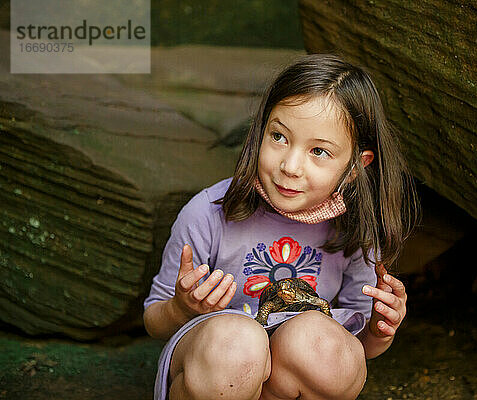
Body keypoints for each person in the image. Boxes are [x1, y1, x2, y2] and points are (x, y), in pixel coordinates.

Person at [143, 54, 420, 400]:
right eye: (279, 137)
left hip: (287, 376)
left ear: (354, 168)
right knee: (238, 345)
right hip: (216, 368)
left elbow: (355, 353)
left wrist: (381, 330)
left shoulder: (358, 230)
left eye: (319, 151)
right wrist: (181, 308)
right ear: (261, 130)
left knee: (327, 350)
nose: (290, 166)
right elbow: (154, 319)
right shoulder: (207, 213)